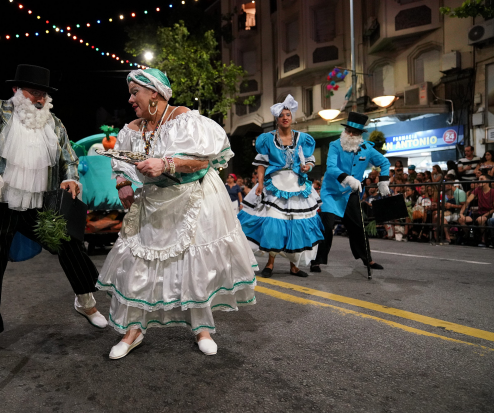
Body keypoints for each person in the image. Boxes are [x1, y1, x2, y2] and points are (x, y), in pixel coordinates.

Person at [96, 68, 257, 359]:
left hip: (192, 199)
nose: (131, 100)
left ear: (155, 93)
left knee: (191, 263)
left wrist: (165, 164)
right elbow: (120, 164)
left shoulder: (183, 118)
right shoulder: (133, 129)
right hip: (152, 201)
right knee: (138, 263)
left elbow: (201, 162)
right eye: (130, 93)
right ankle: (133, 330)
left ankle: (202, 328)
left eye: (135, 93)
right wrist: (122, 184)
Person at [0, 64, 106, 360]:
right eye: (33, 91)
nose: (39, 99)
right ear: (17, 90)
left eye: (44, 94)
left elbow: (69, 158)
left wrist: (70, 178)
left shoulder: (55, 124)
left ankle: (86, 301)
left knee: (70, 244)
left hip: (39, 203)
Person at [238, 94, 324, 278]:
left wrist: (306, 166)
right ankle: (270, 263)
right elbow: (261, 165)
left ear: (292, 118)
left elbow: (309, 161)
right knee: (274, 224)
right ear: (277, 119)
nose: (285, 117)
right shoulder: (267, 139)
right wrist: (260, 184)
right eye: (282, 115)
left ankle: (294, 266)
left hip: (297, 187)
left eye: (288, 115)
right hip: (274, 186)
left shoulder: (303, 139)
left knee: (296, 226)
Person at [311, 112, 390, 273]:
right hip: (331, 193)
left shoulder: (367, 148)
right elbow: (331, 168)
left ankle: (367, 259)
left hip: (350, 194)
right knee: (326, 227)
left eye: (354, 132)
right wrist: (348, 178)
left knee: (358, 227)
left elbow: (385, 162)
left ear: (360, 134)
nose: (350, 134)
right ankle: (316, 261)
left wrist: (383, 180)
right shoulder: (335, 145)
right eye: (348, 130)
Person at [459, 175, 494, 247]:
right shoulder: (478, 189)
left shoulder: (493, 191)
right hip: (479, 212)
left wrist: (484, 215)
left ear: (487, 181)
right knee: (461, 220)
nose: (479, 181)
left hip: (488, 213)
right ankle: (469, 237)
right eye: (479, 179)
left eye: (481, 179)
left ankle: (483, 239)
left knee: (481, 220)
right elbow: (468, 201)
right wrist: (461, 213)